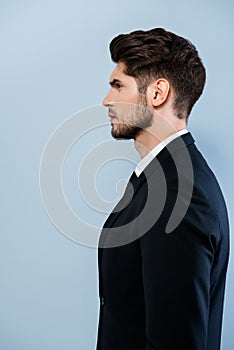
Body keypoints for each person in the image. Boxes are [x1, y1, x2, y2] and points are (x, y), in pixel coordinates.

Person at [96, 28, 229, 350]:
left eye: (118, 86)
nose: (106, 100)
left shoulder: (175, 197)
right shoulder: (160, 181)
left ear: (157, 93)